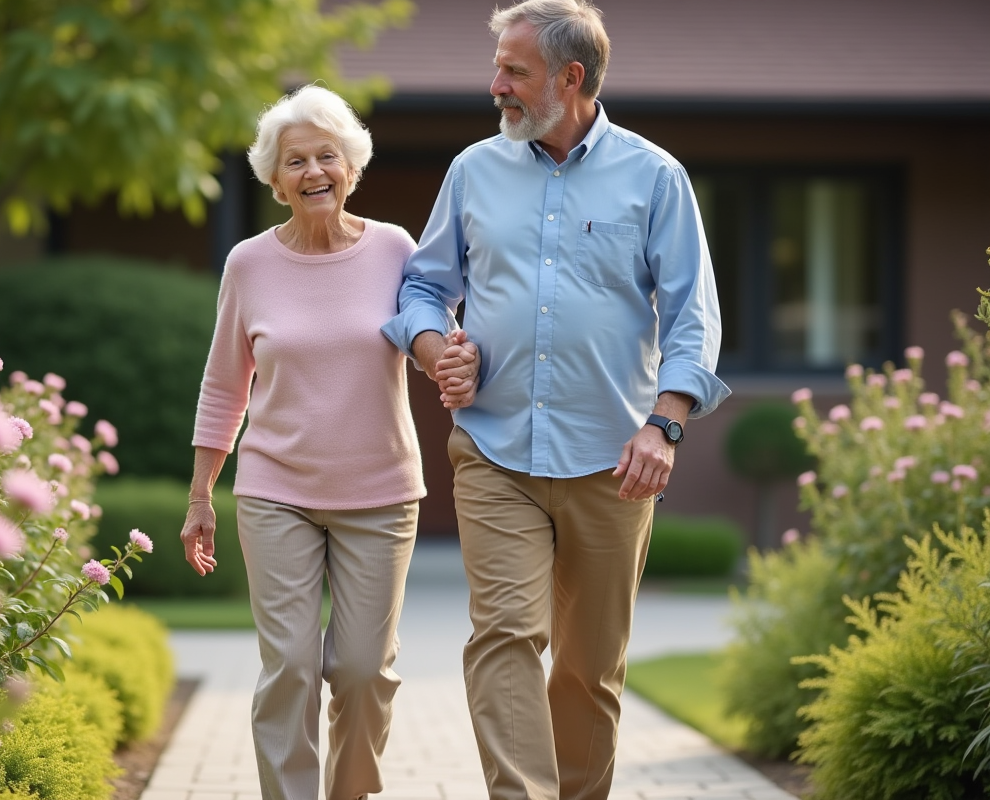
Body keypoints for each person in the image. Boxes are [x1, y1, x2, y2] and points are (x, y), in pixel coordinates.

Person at [380, 2, 731, 798]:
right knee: (505, 636)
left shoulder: (655, 177)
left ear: (570, 78)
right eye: (497, 66)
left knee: (587, 671)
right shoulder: (474, 169)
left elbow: (693, 318)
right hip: (494, 449)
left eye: (514, 70)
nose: (494, 84)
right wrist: (439, 354)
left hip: (614, 461)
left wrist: (664, 425)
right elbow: (425, 288)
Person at [179, 85, 477, 800]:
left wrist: (458, 363)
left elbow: (434, 335)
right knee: (289, 665)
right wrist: (200, 495)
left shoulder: (395, 250)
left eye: (327, 156)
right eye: (295, 161)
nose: (313, 171)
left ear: (352, 166)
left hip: (380, 492)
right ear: (275, 180)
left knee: (363, 671)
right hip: (275, 491)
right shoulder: (248, 265)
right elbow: (226, 384)